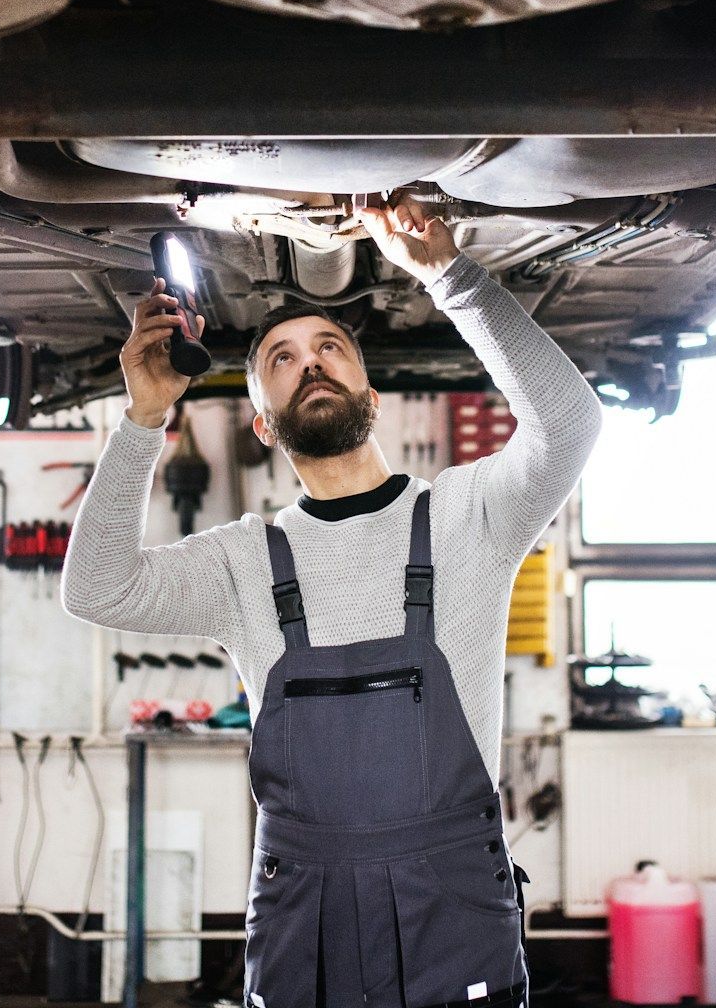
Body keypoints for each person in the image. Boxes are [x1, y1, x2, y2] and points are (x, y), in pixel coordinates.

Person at [60, 196, 603, 1008]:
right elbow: (96, 587)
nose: (308, 362)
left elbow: (568, 425)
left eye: (329, 347)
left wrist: (452, 277)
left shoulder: (465, 519)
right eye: (279, 359)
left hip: (451, 908)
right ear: (265, 428)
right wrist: (143, 416)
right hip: (302, 917)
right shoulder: (243, 562)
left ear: (373, 396)